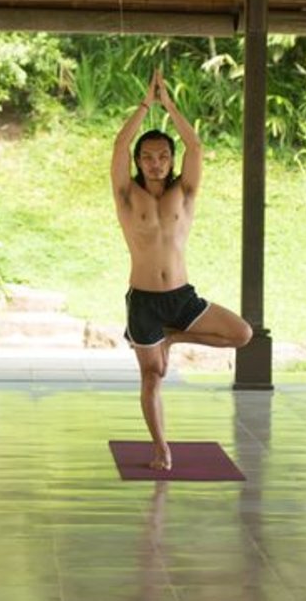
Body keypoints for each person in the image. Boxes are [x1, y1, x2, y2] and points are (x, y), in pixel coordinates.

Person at [111, 68, 252, 471]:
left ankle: (173, 338)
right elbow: (119, 146)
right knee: (152, 376)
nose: (155, 163)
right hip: (143, 303)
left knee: (241, 334)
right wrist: (144, 104)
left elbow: (196, 145)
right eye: (147, 157)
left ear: (171, 160)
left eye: (162, 156)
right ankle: (161, 448)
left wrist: (168, 104)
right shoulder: (126, 196)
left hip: (181, 297)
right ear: (139, 161)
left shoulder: (184, 193)